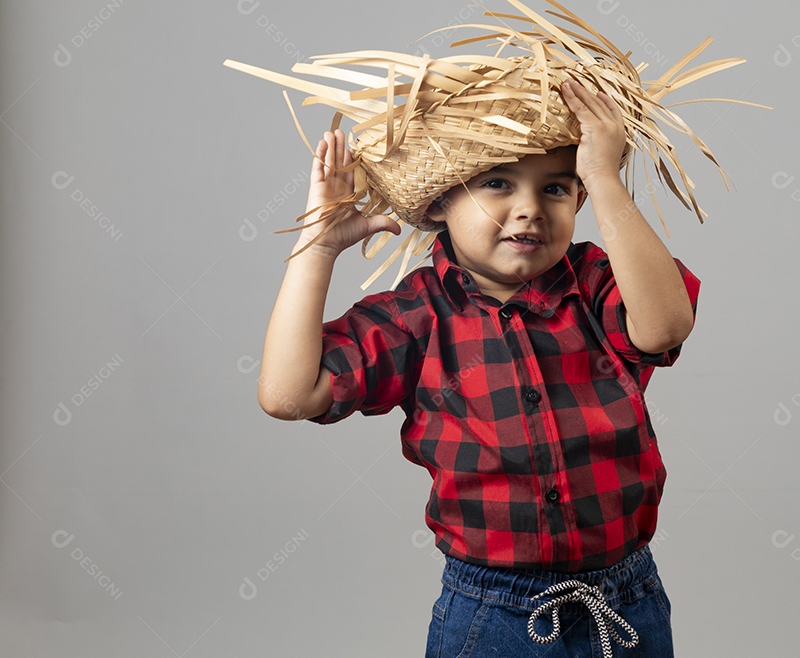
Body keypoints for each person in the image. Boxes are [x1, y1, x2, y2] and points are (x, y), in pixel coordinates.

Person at [257, 78, 700, 657]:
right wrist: (316, 250)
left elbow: (664, 327)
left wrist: (604, 176)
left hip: (626, 598)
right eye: (497, 184)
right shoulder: (416, 316)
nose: (530, 209)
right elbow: (289, 397)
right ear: (440, 201)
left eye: (558, 188)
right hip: (492, 610)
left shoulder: (596, 283)